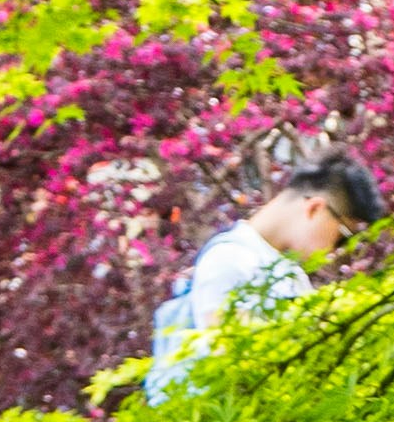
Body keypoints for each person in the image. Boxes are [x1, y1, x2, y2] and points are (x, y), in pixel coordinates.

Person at [146, 152, 381, 398]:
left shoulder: (290, 275)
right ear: (315, 208)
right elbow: (232, 362)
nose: (337, 251)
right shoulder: (228, 259)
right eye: (343, 235)